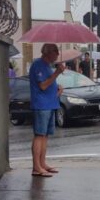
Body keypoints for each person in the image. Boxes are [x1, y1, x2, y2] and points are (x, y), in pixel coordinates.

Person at [29, 43, 65, 178]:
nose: (57, 55)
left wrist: (58, 89)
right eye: (55, 52)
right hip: (41, 105)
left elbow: (49, 85)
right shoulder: (38, 65)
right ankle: (36, 167)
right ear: (48, 53)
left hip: (50, 104)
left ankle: (42, 163)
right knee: (39, 135)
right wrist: (57, 73)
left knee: (45, 136)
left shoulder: (47, 66)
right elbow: (43, 85)